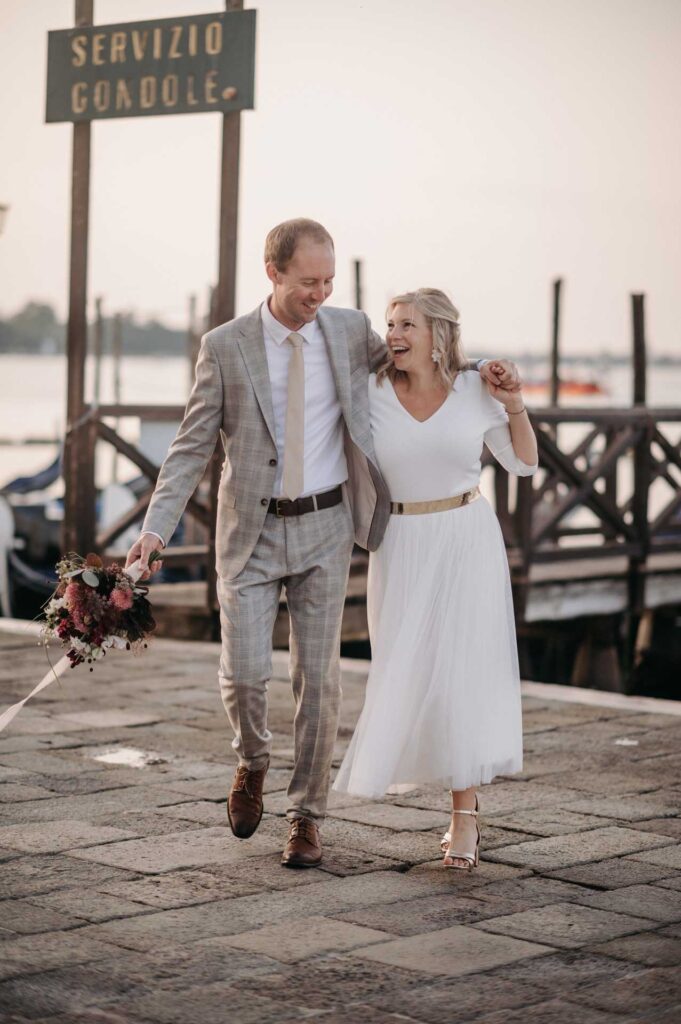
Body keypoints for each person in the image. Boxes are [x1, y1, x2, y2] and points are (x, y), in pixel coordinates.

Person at [126, 221, 521, 869]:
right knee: (245, 674)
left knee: (319, 680)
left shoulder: (346, 332)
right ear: (273, 272)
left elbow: (424, 360)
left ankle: (305, 817)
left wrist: (483, 374)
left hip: (326, 526)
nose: (320, 292)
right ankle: (251, 762)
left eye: (328, 280)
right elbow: (191, 446)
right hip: (248, 530)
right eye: (308, 281)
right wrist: (153, 530)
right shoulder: (225, 347)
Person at [333, 288, 538, 870]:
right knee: (408, 672)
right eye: (390, 324)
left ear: (438, 333)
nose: (393, 334)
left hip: (466, 539)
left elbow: (524, 462)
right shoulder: (370, 394)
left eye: (407, 325)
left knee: (461, 678)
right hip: (399, 546)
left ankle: (464, 819)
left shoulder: (476, 389)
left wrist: (515, 401)